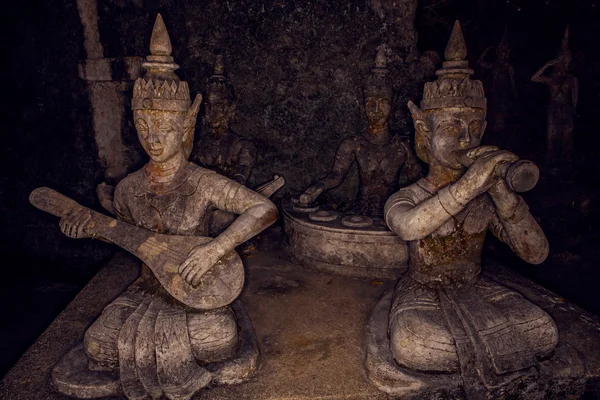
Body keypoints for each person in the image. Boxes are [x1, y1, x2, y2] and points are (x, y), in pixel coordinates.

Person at [58, 15, 277, 399]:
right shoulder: (128, 188)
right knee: (98, 343)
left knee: (218, 337)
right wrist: (88, 227)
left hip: (198, 291)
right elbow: (129, 238)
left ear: (187, 123)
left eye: (164, 127)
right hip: (148, 289)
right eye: (144, 127)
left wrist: (214, 249)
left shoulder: (202, 181)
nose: (153, 138)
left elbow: (263, 209)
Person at [384, 21, 557, 396]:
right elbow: (409, 226)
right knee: (416, 343)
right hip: (424, 291)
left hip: (476, 290)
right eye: (452, 126)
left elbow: (536, 253)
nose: (467, 138)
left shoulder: (484, 195)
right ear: (424, 132)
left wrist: (502, 192)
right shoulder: (409, 195)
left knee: (542, 330)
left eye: (475, 127)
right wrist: (471, 184)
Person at [299, 46, 421, 216]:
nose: (376, 110)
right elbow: (336, 175)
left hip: (393, 212)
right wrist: (319, 187)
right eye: (371, 104)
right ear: (363, 108)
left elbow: (418, 181)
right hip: (359, 210)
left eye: (383, 103)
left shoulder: (401, 145)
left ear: (392, 107)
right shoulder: (354, 144)